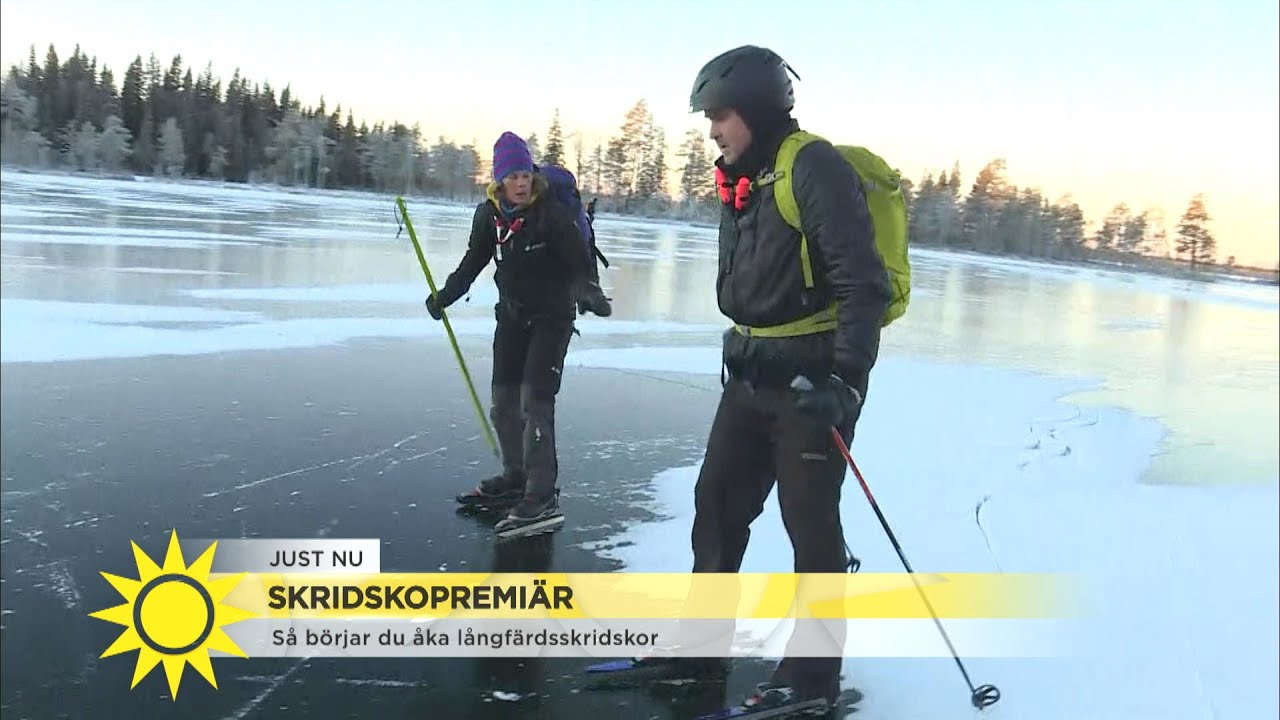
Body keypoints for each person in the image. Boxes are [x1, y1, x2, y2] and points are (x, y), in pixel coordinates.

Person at [679, 45, 892, 713]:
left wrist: (847, 381)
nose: (712, 128)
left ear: (758, 109)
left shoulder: (814, 168)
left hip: (811, 383)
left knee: (810, 528)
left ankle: (812, 679)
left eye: (720, 114)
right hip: (747, 376)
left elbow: (865, 285)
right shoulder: (744, 176)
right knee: (715, 508)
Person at [424, 130, 604, 534]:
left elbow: (579, 263)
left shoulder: (551, 215)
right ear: (500, 180)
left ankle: (541, 496)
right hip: (511, 317)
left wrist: (589, 294)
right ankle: (516, 476)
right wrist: (445, 297)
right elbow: (473, 261)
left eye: (526, 174)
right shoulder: (489, 216)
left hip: (552, 319)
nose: (521, 183)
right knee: (503, 403)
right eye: (513, 176)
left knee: (535, 404)